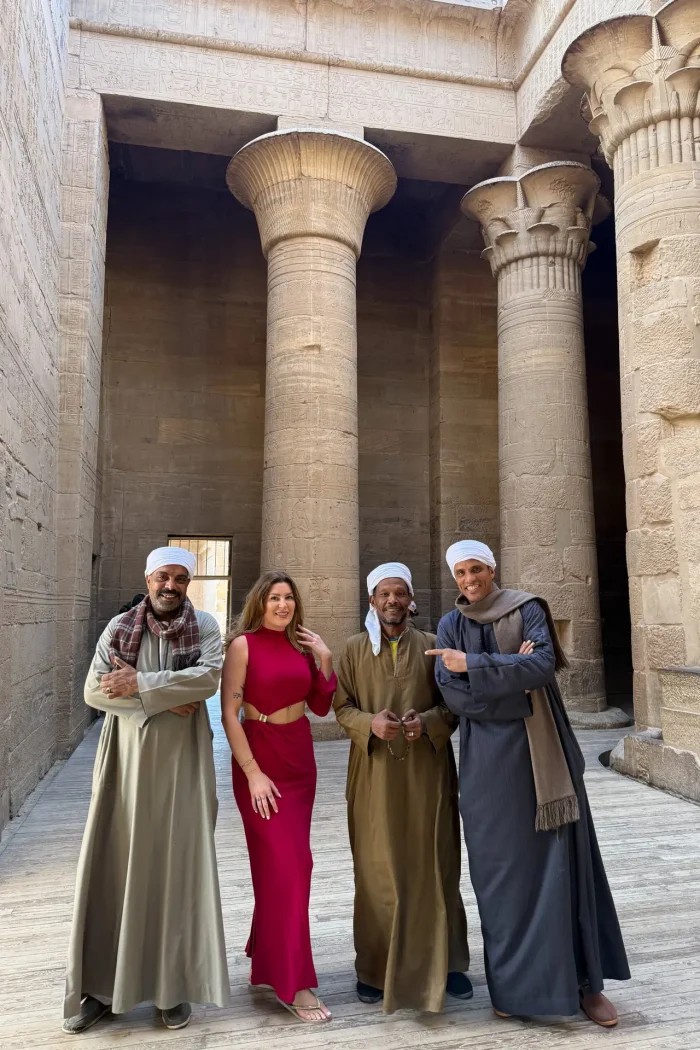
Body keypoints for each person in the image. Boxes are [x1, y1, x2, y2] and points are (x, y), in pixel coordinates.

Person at [427, 540, 630, 1028]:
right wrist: (514, 683)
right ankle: (514, 989)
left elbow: (543, 666)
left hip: (546, 762)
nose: (469, 579)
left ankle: (585, 985)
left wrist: (474, 666)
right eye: (460, 572)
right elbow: (454, 699)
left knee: (563, 869)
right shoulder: (450, 625)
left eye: (476, 568)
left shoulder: (528, 607)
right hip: (487, 769)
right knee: (502, 880)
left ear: (492, 568)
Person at [63, 547, 229, 1034]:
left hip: (184, 771)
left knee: (176, 872)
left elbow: (209, 679)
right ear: (149, 577)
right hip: (125, 769)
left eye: (180, 578)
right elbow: (95, 691)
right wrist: (161, 696)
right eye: (163, 576)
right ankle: (98, 988)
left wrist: (140, 684)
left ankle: (170, 988)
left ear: (188, 584)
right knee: (112, 869)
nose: (171, 585)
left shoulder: (206, 628)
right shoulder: (119, 629)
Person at [333, 562, 471, 1013]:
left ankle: (448, 964)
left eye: (399, 594)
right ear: (371, 601)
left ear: (410, 600)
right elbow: (341, 706)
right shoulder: (352, 650)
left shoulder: (434, 646)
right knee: (376, 867)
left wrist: (426, 723)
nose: (392, 601)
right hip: (373, 773)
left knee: (437, 861)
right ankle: (374, 968)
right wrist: (368, 723)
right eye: (383, 595)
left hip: (427, 772)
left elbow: (453, 705)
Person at [221, 571, 337, 1024]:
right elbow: (230, 713)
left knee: (281, 868)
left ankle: (269, 953)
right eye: (275, 597)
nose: (283, 605)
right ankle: (294, 982)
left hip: (299, 762)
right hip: (260, 760)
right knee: (293, 866)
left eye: (289, 598)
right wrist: (252, 773)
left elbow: (322, 706)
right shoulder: (243, 646)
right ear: (260, 602)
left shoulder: (301, 647)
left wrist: (325, 659)